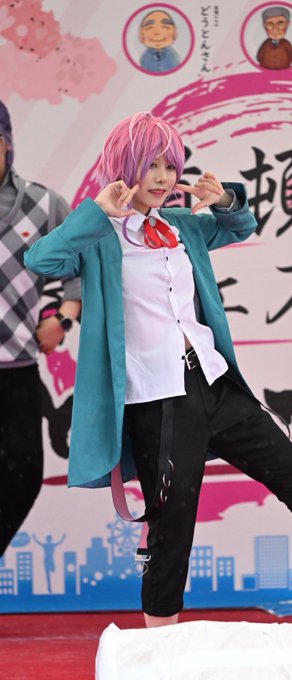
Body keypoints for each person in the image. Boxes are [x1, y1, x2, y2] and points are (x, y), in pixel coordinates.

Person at [24, 111, 292, 628]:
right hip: (156, 397)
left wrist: (224, 199)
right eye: (150, 165)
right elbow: (41, 261)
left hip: (213, 381)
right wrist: (97, 211)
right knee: (172, 528)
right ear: (123, 165)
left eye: (168, 166)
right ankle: (160, 645)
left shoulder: (181, 225)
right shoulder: (98, 235)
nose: (162, 177)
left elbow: (239, 225)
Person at [0, 99, 81, 557]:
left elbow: (81, 266)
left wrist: (63, 317)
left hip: (17, 370)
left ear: (6, 144)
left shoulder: (44, 205)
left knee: (24, 478)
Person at [139, 9, 181, 74]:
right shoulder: (145, 58)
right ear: (141, 34)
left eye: (165, 27)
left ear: (174, 32)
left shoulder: (173, 56)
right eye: (149, 28)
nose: (157, 33)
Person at [256, 6, 292, 70]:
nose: (275, 29)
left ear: (287, 24)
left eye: (280, 23)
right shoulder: (265, 44)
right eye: (270, 24)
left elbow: (291, 56)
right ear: (264, 26)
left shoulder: (286, 44)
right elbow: (259, 57)